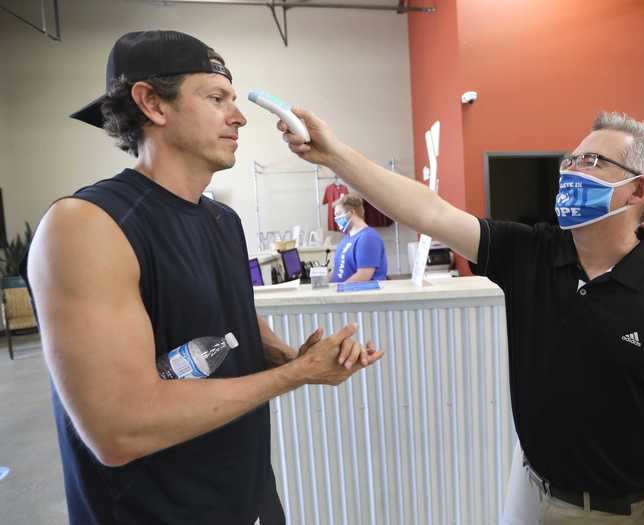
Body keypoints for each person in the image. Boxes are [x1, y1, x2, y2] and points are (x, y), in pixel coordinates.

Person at [24, 30, 383, 525]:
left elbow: (228, 320)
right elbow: (117, 429)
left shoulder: (221, 221)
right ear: (152, 103)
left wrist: (290, 354)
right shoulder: (87, 227)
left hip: (246, 495)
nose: (237, 116)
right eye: (216, 98)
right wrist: (294, 375)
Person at [277, 109, 644, 524]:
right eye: (571, 160)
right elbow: (431, 212)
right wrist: (334, 155)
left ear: (638, 190)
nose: (571, 171)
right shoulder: (531, 253)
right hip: (530, 491)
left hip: (616, 514)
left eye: (592, 162)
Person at [331, 193, 388, 283]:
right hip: (344, 294)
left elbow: (364, 275)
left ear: (352, 212)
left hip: (360, 295)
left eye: (338, 214)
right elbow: (338, 272)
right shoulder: (346, 239)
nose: (336, 219)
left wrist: (340, 290)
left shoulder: (368, 238)